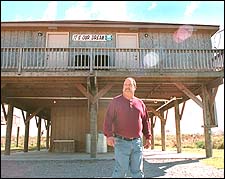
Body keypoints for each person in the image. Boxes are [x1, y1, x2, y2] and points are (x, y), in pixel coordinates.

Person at [103, 77, 151, 178]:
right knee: (120, 171)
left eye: (130, 85)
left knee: (138, 172)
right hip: (121, 142)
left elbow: (145, 121)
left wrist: (148, 137)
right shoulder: (115, 102)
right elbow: (108, 119)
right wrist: (109, 136)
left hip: (137, 143)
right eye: (125, 85)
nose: (127, 87)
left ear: (135, 87)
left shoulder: (140, 103)